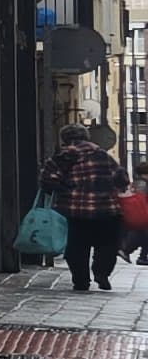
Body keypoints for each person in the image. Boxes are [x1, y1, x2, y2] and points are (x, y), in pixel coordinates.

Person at [46, 121, 132, 291]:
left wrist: (66, 189)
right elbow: (122, 178)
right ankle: (101, 273)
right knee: (107, 244)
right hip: (106, 209)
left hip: (75, 211)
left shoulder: (60, 158)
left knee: (77, 246)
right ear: (86, 136)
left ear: (64, 138)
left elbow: (47, 182)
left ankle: (81, 280)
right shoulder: (103, 155)